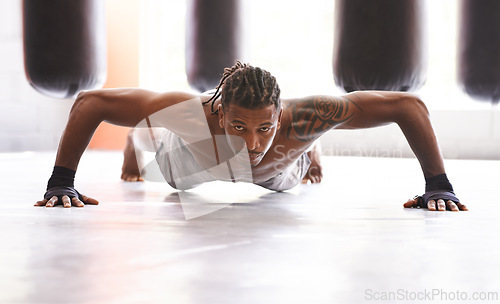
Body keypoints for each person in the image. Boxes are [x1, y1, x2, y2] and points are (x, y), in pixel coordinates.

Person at [35, 62, 467, 211]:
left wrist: (438, 187)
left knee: (294, 153)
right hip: (191, 165)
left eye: (264, 127)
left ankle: (310, 152)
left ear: (280, 114)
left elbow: (409, 107)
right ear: (220, 112)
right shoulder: (192, 114)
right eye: (238, 127)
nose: (252, 142)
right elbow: (91, 102)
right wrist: (61, 181)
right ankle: (137, 141)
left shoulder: (305, 116)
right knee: (157, 137)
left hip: (281, 172)